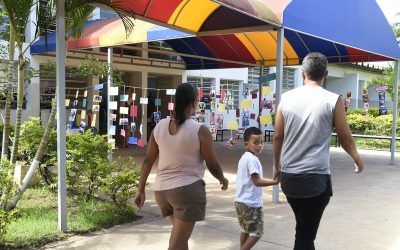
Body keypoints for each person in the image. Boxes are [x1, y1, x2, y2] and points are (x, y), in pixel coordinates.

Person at [273, 52, 364, 250]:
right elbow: (345, 137)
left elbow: (277, 136)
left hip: (290, 179)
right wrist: (357, 158)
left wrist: (277, 166)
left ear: (302, 73)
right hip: (315, 180)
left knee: (303, 229)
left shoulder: (286, 98)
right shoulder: (332, 100)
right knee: (305, 237)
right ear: (326, 75)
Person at [134, 83, 229, 250]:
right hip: (187, 191)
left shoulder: (159, 126)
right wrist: (222, 178)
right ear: (194, 103)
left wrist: (140, 189)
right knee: (177, 243)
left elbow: (148, 160)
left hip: (162, 192)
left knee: (179, 239)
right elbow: (212, 163)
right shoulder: (200, 130)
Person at [235, 127, 279, 250]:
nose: (259, 145)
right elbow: (257, 181)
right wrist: (274, 182)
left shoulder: (245, 157)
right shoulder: (252, 159)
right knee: (257, 233)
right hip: (251, 204)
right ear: (246, 144)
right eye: (256, 142)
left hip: (240, 201)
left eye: (261, 142)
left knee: (245, 229)